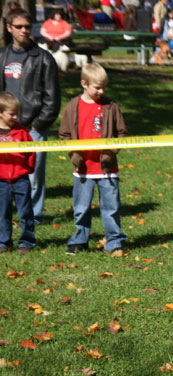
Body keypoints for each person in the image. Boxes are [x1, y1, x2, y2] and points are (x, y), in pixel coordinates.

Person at [0, 8, 61, 226]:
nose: (24, 30)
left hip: (32, 127)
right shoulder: (2, 56)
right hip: (4, 130)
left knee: (33, 177)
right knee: (3, 176)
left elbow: (52, 99)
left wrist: (36, 125)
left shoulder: (44, 58)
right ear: (9, 28)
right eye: (19, 26)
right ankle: (5, 217)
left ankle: (33, 218)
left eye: (27, 26)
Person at [59, 63, 128, 255]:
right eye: (97, 87)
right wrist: (74, 155)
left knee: (111, 208)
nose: (101, 91)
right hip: (83, 170)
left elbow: (122, 133)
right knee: (81, 208)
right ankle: (80, 240)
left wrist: (111, 151)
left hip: (107, 170)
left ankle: (114, 242)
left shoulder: (111, 106)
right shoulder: (73, 106)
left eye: (104, 87)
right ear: (84, 84)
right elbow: (64, 134)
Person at [0, 91, 35, 254]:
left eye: (17, 114)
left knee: (25, 212)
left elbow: (32, 151)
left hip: (21, 179)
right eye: (11, 114)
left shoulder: (22, 132)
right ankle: (3, 242)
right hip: (1, 181)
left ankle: (26, 242)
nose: (15, 117)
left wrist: (28, 169)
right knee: (2, 213)